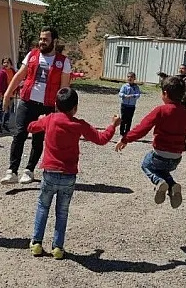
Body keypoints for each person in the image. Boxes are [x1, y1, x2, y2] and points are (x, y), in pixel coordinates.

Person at [27, 88, 119, 259]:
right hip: (68, 175)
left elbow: (31, 128)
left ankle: (37, 243)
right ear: (75, 108)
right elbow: (101, 139)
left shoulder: (50, 119)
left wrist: (39, 119)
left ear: (55, 104)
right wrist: (112, 126)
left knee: (43, 206)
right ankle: (58, 247)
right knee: (62, 211)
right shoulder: (79, 125)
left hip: (50, 172)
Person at [115, 76, 186, 208]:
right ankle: (172, 185)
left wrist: (125, 139)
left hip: (159, 154)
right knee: (163, 170)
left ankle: (159, 181)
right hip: (176, 158)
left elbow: (142, 128)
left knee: (146, 164)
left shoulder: (161, 110)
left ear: (165, 93)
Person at [0, 26, 72, 185]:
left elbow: (64, 89)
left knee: (38, 139)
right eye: (40, 39)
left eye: (45, 39)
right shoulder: (32, 55)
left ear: (54, 41)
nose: (42, 42)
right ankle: (12, 171)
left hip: (47, 106)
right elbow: (19, 76)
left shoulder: (63, 62)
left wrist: (61, 112)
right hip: (27, 102)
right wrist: (7, 94)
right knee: (19, 135)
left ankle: (29, 170)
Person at [0, 57, 17, 133]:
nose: (6, 64)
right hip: (4, 94)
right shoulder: (2, 72)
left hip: (11, 94)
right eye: (4, 62)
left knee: (8, 110)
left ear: (10, 64)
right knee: (2, 109)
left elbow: (16, 82)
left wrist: (16, 91)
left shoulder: (13, 72)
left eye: (7, 62)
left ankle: (5, 124)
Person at [118, 72, 141, 136]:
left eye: (131, 77)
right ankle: (122, 132)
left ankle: (127, 132)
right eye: (128, 77)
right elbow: (120, 93)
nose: (129, 78)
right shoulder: (124, 86)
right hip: (124, 105)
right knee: (123, 119)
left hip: (131, 106)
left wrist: (133, 95)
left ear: (134, 78)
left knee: (129, 119)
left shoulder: (136, 87)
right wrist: (125, 96)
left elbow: (138, 95)